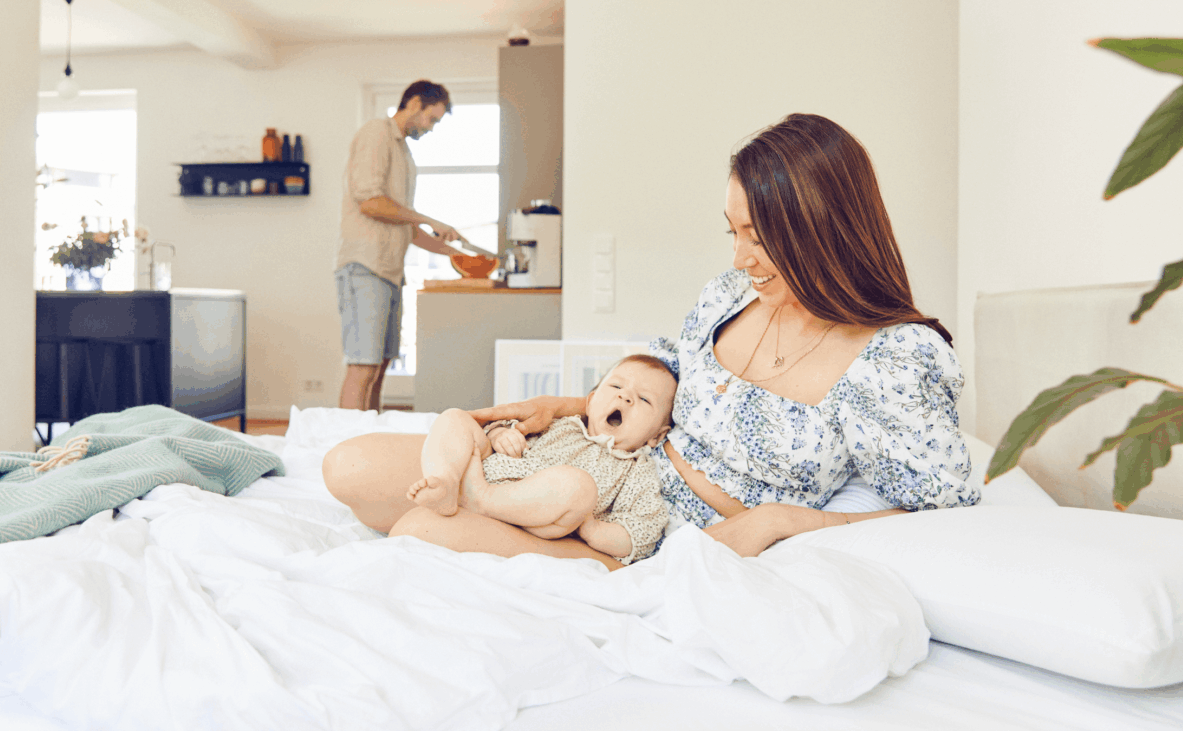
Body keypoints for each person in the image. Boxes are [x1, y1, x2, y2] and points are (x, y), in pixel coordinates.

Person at [322, 113, 980, 571]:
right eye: (735, 233)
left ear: (824, 228)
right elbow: (664, 377)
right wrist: (571, 405)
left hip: (638, 531)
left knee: (417, 530)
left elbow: (945, 517)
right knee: (346, 466)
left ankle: (500, 510)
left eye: (761, 237)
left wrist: (786, 520)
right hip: (602, 453)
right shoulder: (729, 297)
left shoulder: (894, 359)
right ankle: (495, 494)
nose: (744, 257)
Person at [406, 355, 677, 565]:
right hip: (491, 470)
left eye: (643, 399)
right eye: (616, 385)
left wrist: (592, 529)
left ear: (657, 436)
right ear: (591, 401)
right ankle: (446, 481)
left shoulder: (636, 470)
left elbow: (642, 532)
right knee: (454, 418)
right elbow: (499, 430)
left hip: (539, 514)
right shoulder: (562, 423)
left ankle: (481, 499)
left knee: (578, 486)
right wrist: (501, 434)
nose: (624, 395)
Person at [335, 79, 469, 412]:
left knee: (379, 368)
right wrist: (427, 218)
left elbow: (403, 226)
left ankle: (371, 441)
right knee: (363, 366)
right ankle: (345, 447)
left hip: (390, 272)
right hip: (366, 266)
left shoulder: (404, 152)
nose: (431, 128)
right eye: (431, 119)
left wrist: (455, 252)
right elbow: (369, 202)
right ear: (415, 104)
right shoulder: (376, 133)